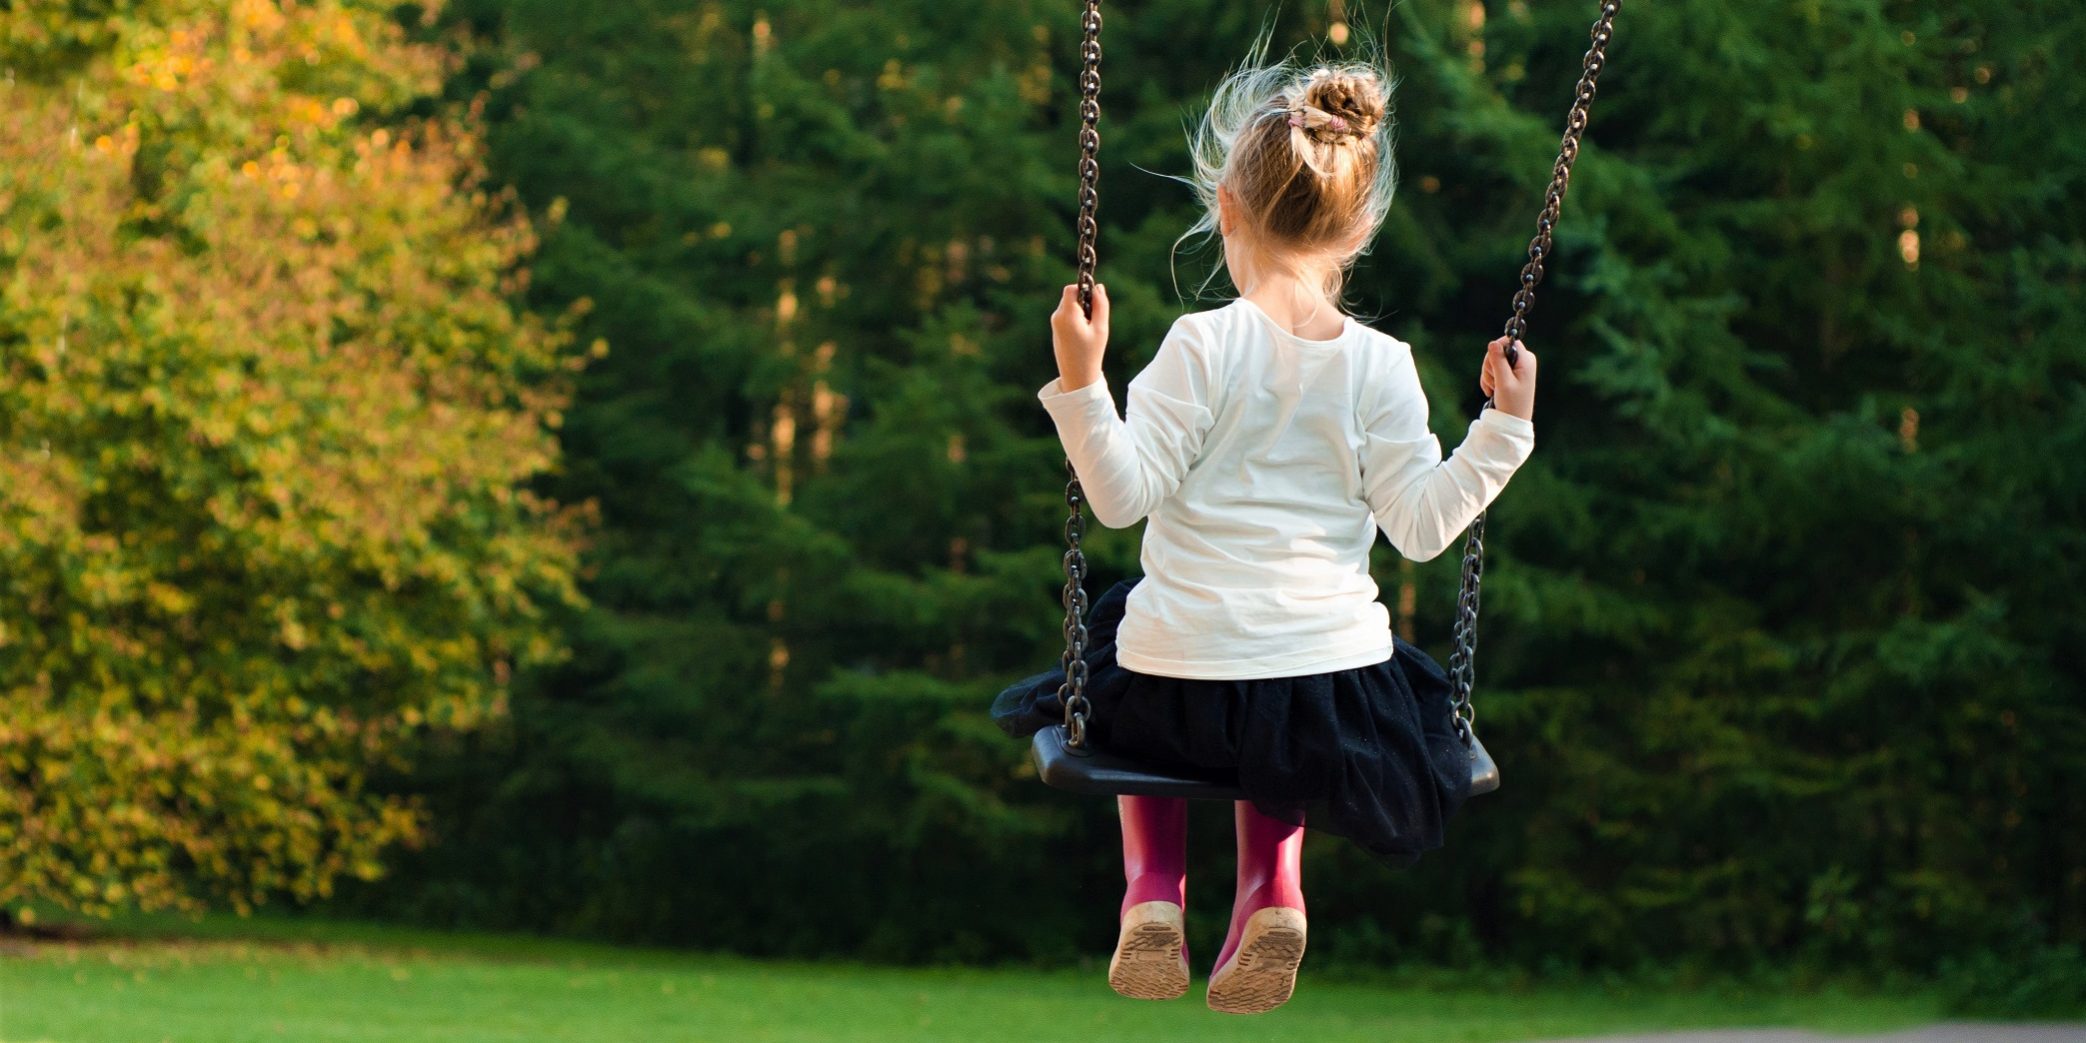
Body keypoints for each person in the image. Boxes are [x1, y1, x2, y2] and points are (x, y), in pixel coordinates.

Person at [991, 52, 1540, 1014]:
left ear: (1225, 210)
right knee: (1282, 707)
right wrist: (1503, 430)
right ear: (1360, 228)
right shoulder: (1382, 365)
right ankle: (1273, 890)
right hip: (1327, 692)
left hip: (1178, 681)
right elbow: (1420, 528)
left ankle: (1153, 888)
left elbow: (1118, 497)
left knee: (1129, 644)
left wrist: (1082, 382)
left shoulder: (1200, 345)